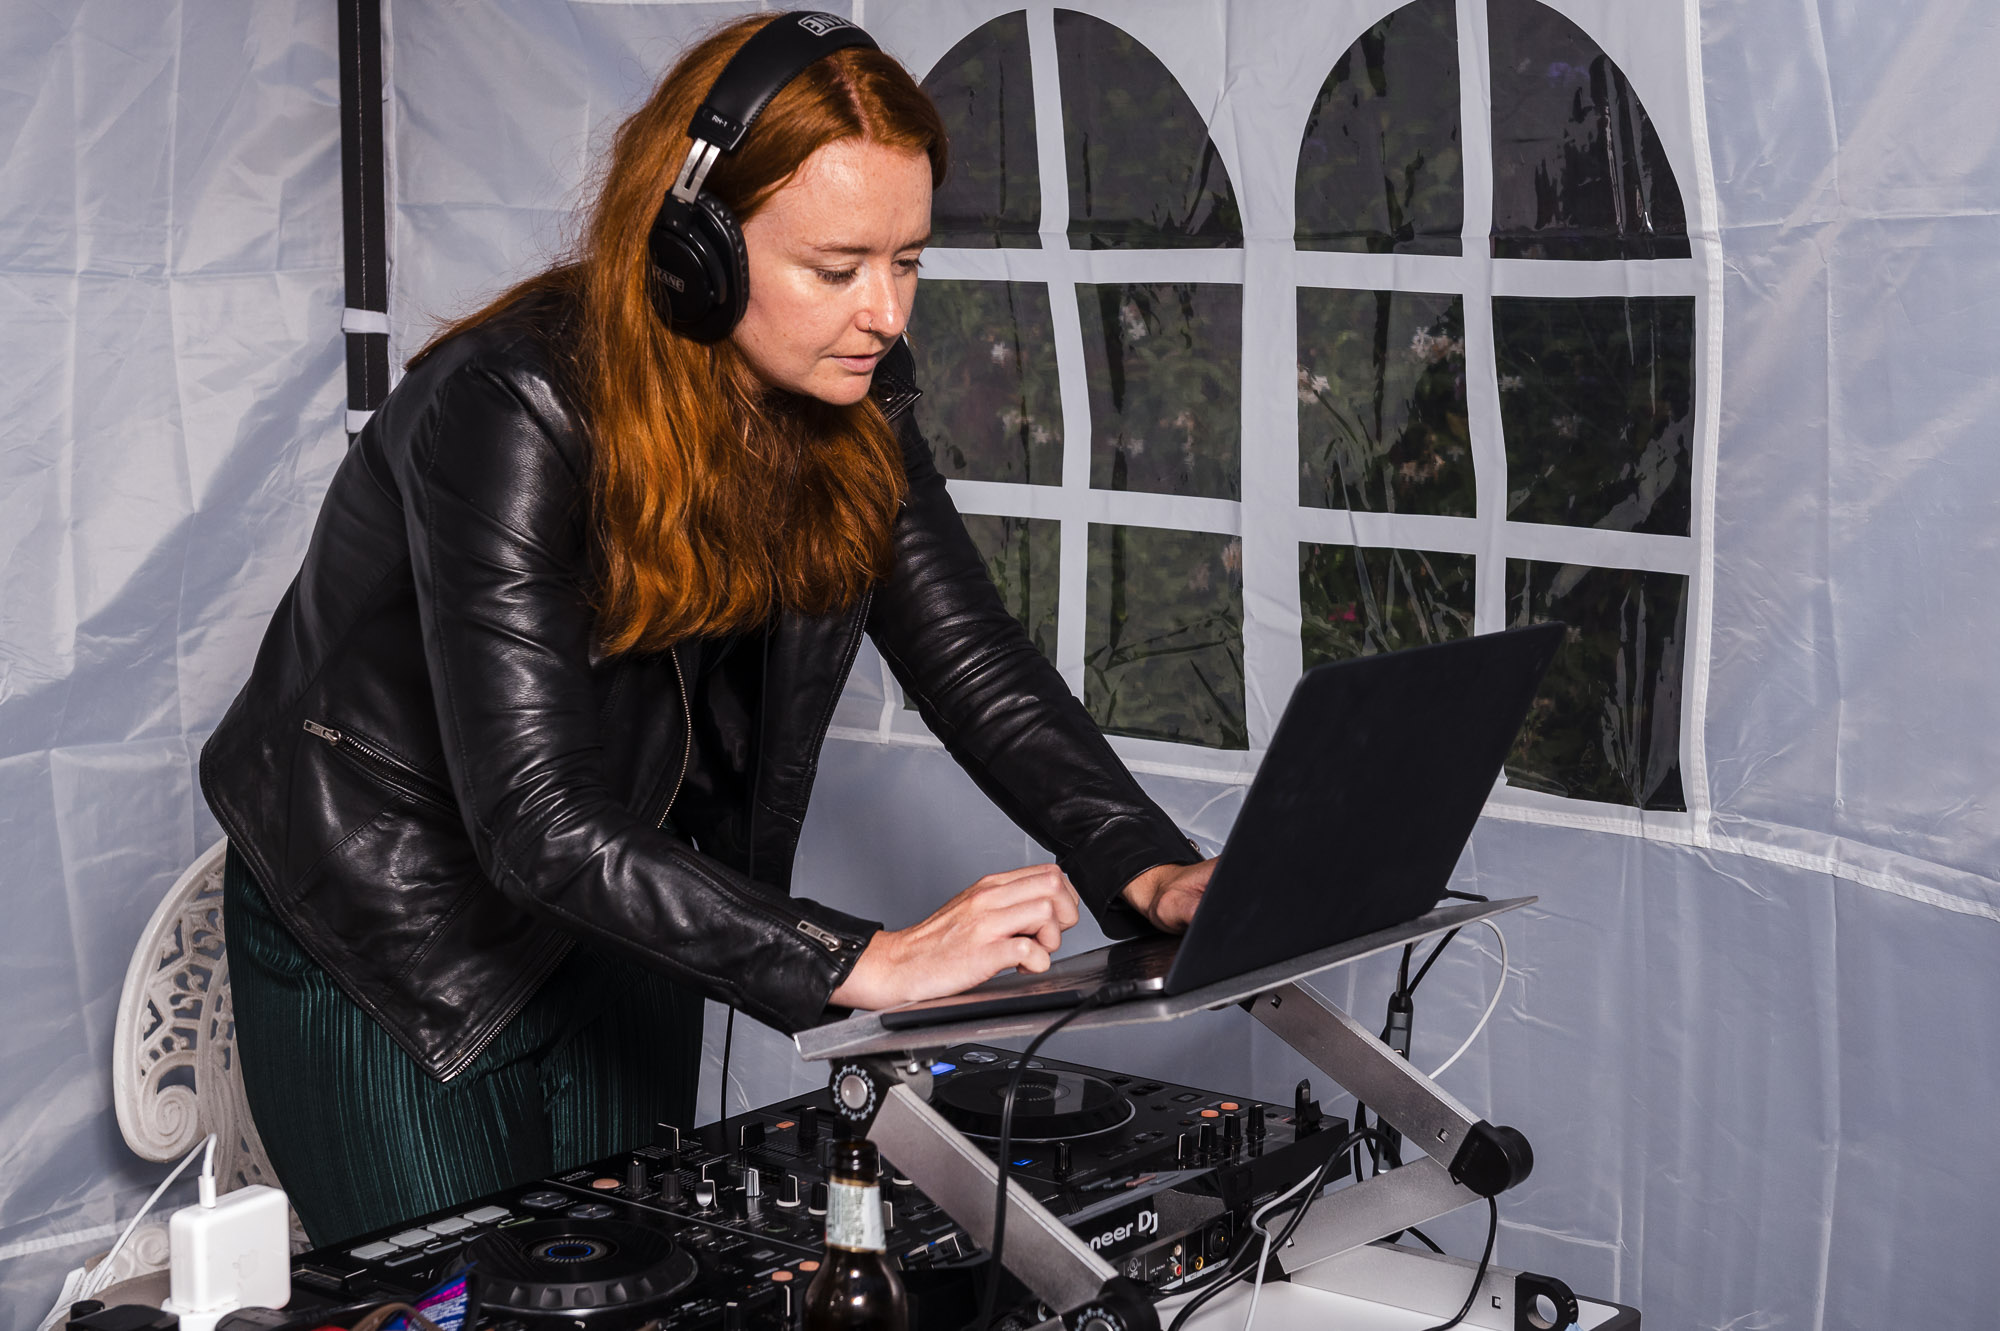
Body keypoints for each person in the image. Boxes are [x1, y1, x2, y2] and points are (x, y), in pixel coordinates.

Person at [201, 12, 1213, 1246]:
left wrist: (1141, 860)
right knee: (458, 1296)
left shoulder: (854, 395)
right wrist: (856, 958)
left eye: (907, 262)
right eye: (836, 269)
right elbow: (532, 817)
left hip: (619, 902)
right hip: (394, 926)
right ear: (696, 249)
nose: (884, 313)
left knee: (650, 1281)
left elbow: (968, 654)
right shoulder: (508, 405)